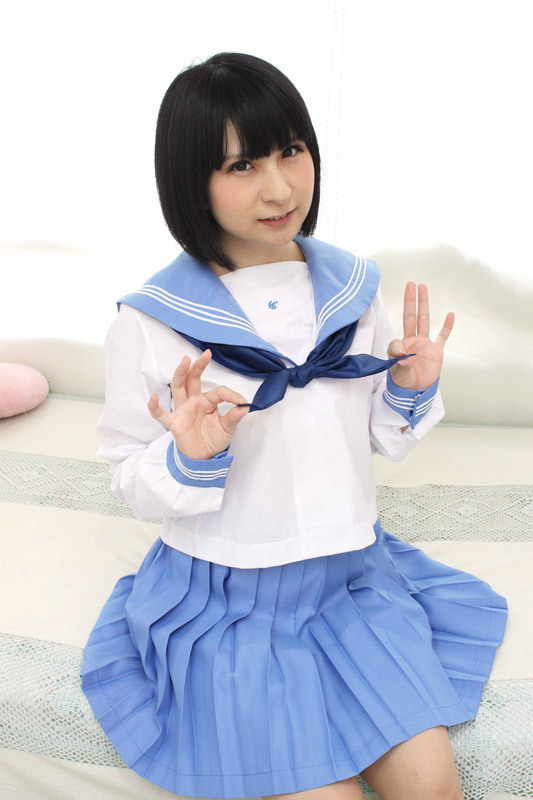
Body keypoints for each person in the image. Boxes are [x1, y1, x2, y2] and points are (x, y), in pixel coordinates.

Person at [81, 52, 508, 800]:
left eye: (290, 150)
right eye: (241, 165)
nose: (279, 188)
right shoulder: (150, 323)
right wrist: (190, 458)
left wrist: (408, 389)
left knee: (433, 787)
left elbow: (377, 436)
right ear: (190, 180)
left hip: (352, 583)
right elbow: (127, 471)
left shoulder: (352, 290)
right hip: (227, 604)